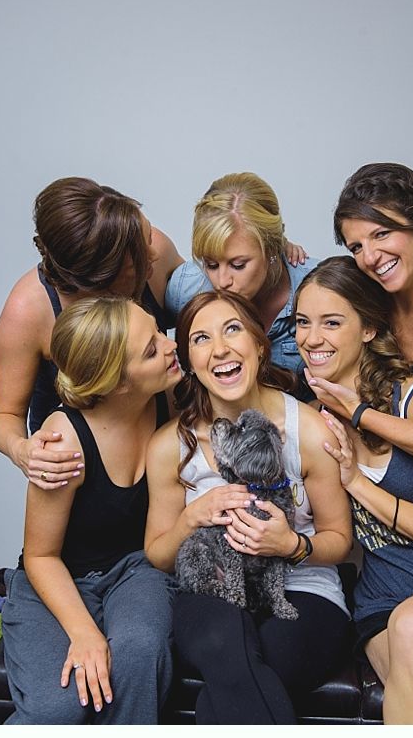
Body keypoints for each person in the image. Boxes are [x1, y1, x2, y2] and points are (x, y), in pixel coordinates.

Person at [144, 289, 353, 725]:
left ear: (259, 345)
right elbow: (159, 555)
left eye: (232, 329)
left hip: (302, 590)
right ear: (187, 359)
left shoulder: (310, 432)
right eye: (201, 339)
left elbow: (340, 540)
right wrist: (191, 518)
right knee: (224, 646)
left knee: (254, 670)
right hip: (213, 587)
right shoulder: (169, 446)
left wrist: (291, 544)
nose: (219, 348)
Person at [294, 257, 413, 724]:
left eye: (331, 322)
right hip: (383, 604)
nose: (312, 339)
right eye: (302, 323)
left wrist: (358, 484)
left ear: (370, 328)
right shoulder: (311, 418)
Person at [1, 296, 181, 724]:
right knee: (56, 708)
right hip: (59, 577)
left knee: (139, 656)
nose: (170, 345)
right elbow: (41, 556)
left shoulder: (165, 399)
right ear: (117, 383)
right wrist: (85, 634)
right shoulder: (63, 440)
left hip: (137, 570)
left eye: (158, 331)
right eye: (152, 349)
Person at [0, 177, 184, 490]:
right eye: (138, 255)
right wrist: (22, 450)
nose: (154, 253)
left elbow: (212, 303)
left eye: (145, 236)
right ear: (101, 280)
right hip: (80, 469)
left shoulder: (153, 248)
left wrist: (267, 247)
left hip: (160, 445)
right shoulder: (28, 311)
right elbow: (4, 413)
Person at [306, 163, 413, 477]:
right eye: (357, 246)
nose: (369, 257)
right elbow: (317, 289)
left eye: (381, 234)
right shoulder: (370, 297)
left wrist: (357, 412)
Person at [165, 171, 315, 376]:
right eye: (211, 264)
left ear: (271, 248)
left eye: (238, 265)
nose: (222, 282)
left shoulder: (318, 288)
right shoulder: (185, 289)